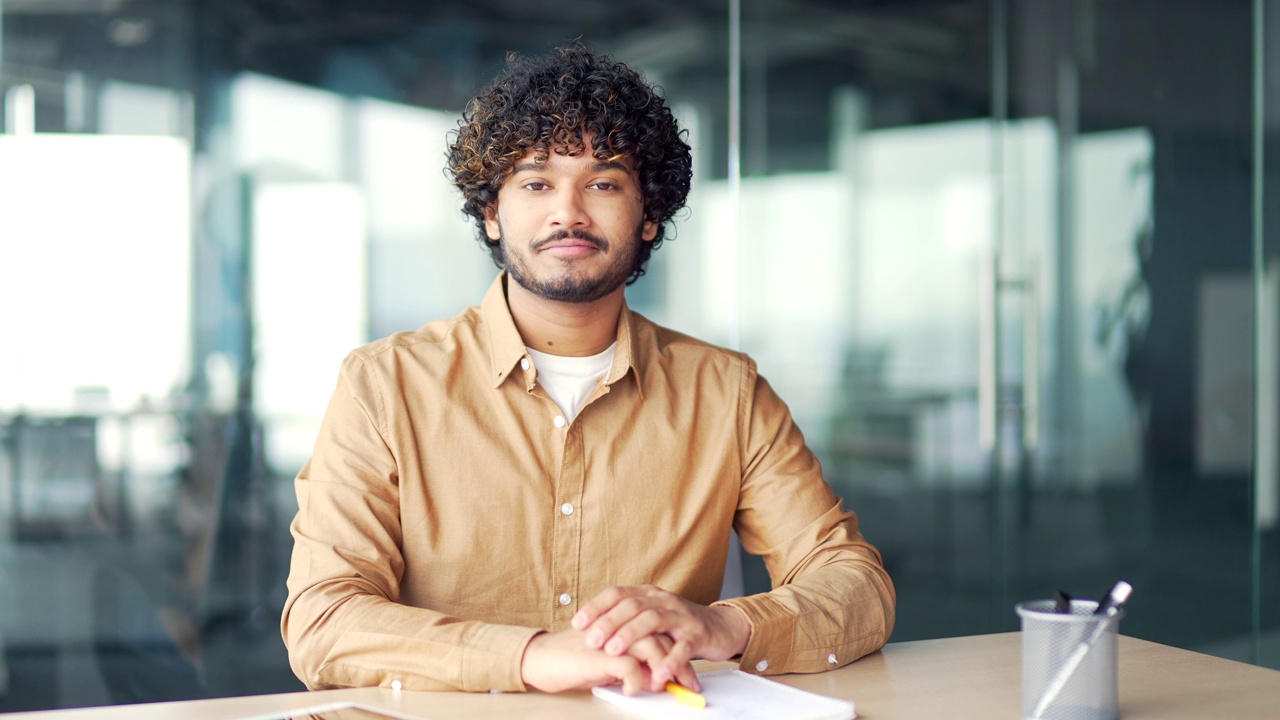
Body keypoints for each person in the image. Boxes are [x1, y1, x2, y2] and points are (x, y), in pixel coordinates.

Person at [281, 42, 894, 697]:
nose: (567, 213)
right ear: (492, 213)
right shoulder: (385, 386)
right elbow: (323, 621)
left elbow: (855, 586)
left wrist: (725, 626)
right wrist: (532, 657)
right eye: (536, 182)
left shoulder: (727, 392)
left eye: (603, 183)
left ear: (649, 216)